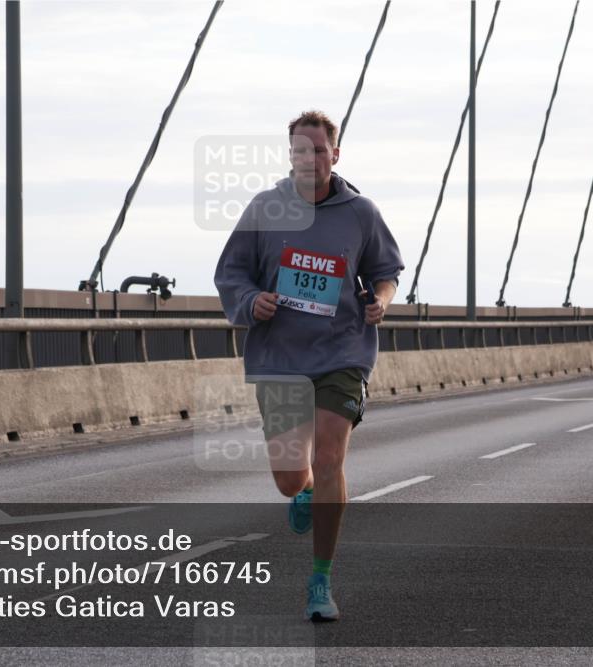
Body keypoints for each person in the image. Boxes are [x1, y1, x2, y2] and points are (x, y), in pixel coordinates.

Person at [214, 110, 404, 621]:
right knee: (288, 478)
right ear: (290, 155)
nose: (310, 159)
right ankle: (306, 495)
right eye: (301, 150)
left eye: (319, 150)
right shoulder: (265, 209)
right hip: (279, 357)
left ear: (334, 155)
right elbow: (230, 273)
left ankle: (320, 581)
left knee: (329, 458)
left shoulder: (360, 212)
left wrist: (381, 301)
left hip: (342, 353)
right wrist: (252, 301)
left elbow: (386, 271)